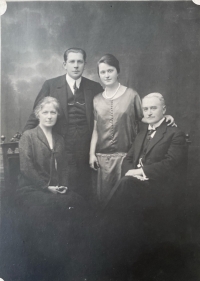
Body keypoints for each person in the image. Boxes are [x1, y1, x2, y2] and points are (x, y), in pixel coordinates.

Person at [96, 93, 187, 279]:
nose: (149, 112)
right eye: (146, 109)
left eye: (153, 108)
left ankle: (98, 229)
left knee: (126, 183)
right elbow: (128, 159)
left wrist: (139, 173)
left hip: (159, 188)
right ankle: (112, 246)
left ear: (164, 110)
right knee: (127, 185)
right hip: (135, 187)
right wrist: (131, 171)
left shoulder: (175, 134)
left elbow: (171, 164)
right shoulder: (141, 133)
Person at [16, 97, 89, 280]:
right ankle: (48, 262)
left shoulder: (59, 139)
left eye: (53, 112)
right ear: (38, 114)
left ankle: (71, 259)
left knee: (79, 203)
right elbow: (26, 168)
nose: (49, 116)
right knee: (50, 207)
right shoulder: (28, 136)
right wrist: (46, 187)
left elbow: (64, 168)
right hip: (32, 189)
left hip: (55, 188)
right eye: (46, 112)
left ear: (57, 115)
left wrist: (63, 186)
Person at [89, 54, 174, 207]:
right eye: (103, 72)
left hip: (126, 157)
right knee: (105, 202)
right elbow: (95, 129)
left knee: (124, 201)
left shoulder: (131, 94)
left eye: (110, 70)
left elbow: (145, 117)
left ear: (118, 71)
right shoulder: (96, 99)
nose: (107, 75)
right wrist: (91, 154)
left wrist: (164, 117)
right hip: (103, 159)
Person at [23, 47, 103, 202]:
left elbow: (107, 113)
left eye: (79, 62)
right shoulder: (51, 85)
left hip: (87, 146)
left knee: (87, 188)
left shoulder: (94, 87)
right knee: (66, 186)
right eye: (72, 61)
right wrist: (26, 136)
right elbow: (36, 113)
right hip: (61, 144)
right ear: (64, 64)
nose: (76, 65)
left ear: (85, 64)